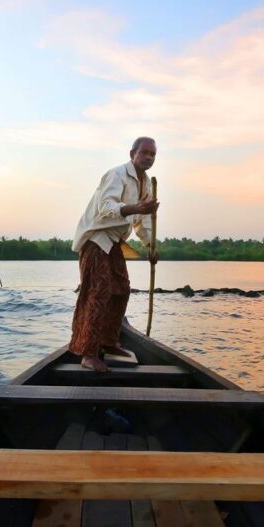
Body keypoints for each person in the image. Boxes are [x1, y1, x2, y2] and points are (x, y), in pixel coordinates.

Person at [70, 137, 160, 372]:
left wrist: (151, 246)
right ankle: (88, 353)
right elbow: (106, 208)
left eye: (153, 154)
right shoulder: (116, 174)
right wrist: (135, 208)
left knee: (121, 289)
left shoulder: (147, 184)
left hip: (115, 242)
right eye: (145, 153)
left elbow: (142, 222)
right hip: (96, 238)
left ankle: (108, 342)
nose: (149, 158)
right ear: (133, 154)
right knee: (98, 291)